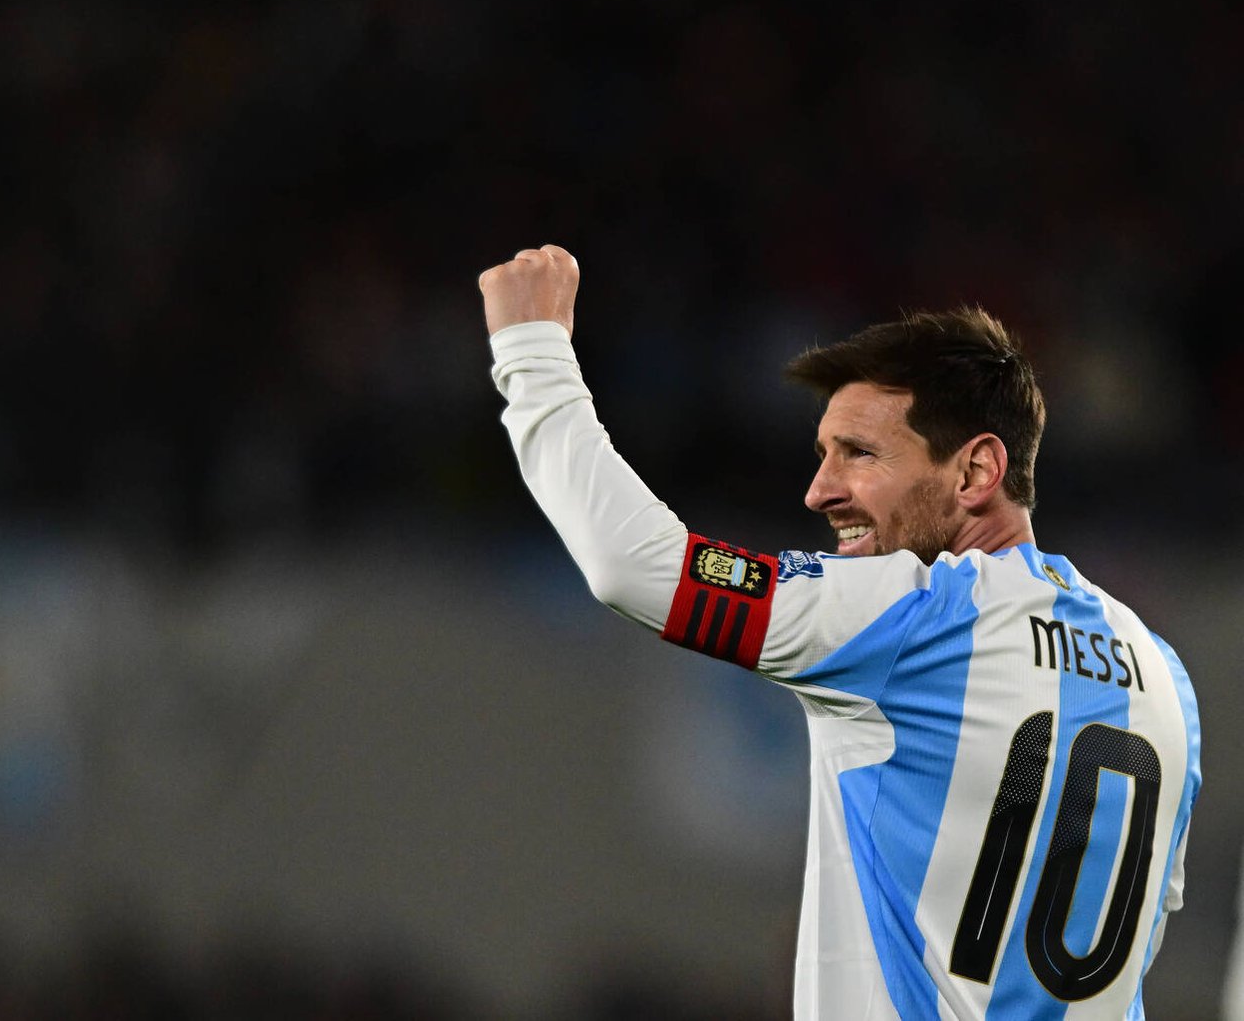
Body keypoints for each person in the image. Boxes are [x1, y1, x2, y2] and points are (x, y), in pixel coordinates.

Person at [479, 244, 1202, 1019]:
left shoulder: (915, 616)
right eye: (823, 454)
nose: (820, 491)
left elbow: (637, 566)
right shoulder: (1163, 675)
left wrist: (532, 352)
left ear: (976, 472)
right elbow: (1143, 937)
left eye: (859, 454)